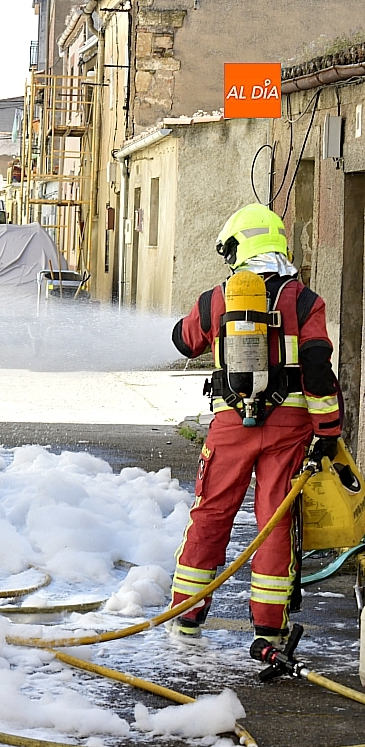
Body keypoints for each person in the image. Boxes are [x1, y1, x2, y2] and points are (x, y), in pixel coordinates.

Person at [167, 203, 340, 652]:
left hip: (231, 427)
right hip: (290, 427)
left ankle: (185, 617)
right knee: (275, 522)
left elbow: (185, 342)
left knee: (211, 514)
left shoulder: (219, 296)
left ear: (240, 247)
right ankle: (269, 627)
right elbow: (319, 368)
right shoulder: (305, 301)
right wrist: (328, 430)